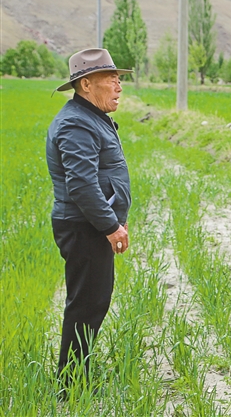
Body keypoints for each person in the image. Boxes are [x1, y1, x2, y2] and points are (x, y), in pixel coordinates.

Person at [46, 48, 132, 382]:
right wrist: (111, 225)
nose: (118, 86)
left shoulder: (90, 117)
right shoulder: (76, 124)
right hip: (84, 227)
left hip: (90, 225)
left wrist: (115, 218)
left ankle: (76, 375)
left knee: (92, 303)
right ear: (85, 85)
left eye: (118, 79)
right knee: (86, 305)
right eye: (110, 79)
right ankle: (70, 386)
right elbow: (81, 185)